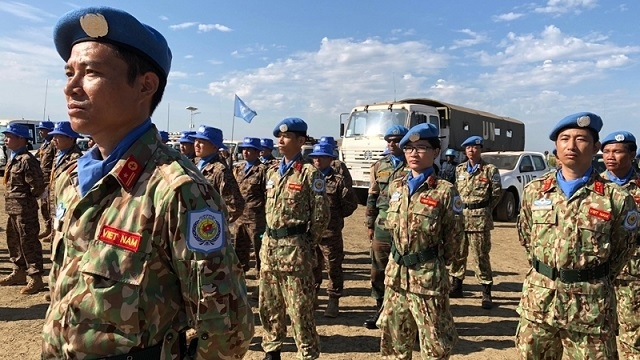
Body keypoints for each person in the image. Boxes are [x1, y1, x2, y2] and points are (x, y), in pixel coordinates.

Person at [43, 6, 253, 358]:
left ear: (145, 85)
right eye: (69, 72)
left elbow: (226, 330)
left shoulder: (178, 190)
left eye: (91, 72)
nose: (71, 87)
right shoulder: (69, 178)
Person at [515, 112, 637, 359]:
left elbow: (623, 249)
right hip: (539, 302)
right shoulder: (535, 191)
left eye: (581, 139)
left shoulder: (616, 198)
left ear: (595, 148)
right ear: (556, 148)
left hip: (589, 307)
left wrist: (588, 276)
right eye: (564, 139)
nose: (571, 146)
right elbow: (527, 237)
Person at [378, 123, 462, 359]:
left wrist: (435, 264)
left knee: (434, 343)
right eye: (409, 148)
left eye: (422, 147)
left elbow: (455, 239)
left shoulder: (445, 191)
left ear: (436, 152)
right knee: (395, 341)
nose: (414, 153)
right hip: (395, 277)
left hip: (427, 278)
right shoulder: (396, 186)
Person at [259, 117, 330, 360]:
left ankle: (307, 353)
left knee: (300, 309)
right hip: (269, 250)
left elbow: (321, 216)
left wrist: (306, 243)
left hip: (295, 252)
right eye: (279, 135)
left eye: (287, 136)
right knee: (269, 305)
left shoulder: (310, 174)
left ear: (301, 141)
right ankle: (272, 348)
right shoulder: (271, 171)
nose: (280, 140)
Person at [364, 125, 409, 329]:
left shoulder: (413, 165)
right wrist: (369, 223)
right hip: (382, 223)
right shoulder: (379, 166)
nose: (392, 144)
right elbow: (372, 195)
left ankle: (406, 314)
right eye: (389, 141)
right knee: (378, 269)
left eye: (396, 140)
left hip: (405, 225)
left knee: (404, 270)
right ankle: (380, 309)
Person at [600, 130, 640, 358]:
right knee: (600, 333)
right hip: (600, 273)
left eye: (617, 151)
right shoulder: (594, 186)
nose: (610, 156)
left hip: (633, 274)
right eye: (606, 151)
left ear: (632, 154)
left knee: (633, 333)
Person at [450, 135, 502, 309]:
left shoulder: (489, 170)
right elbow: (456, 193)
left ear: (480, 149)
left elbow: (496, 194)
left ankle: (486, 291)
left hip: (479, 219)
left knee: (480, 255)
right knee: (458, 253)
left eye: (475, 147)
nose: (471, 151)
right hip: (461, 218)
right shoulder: (459, 170)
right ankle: (456, 285)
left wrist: (484, 209)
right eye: (468, 148)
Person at [309, 142, 359, 318]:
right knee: (312, 266)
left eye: (321, 156)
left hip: (330, 232)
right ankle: (313, 296)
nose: (317, 160)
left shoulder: (338, 181)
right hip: (310, 232)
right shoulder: (308, 178)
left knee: (333, 267)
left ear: (330, 159)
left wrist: (334, 218)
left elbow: (350, 204)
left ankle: (333, 300)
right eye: (315, 157)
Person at [0, 124, 46, 294]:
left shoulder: (27, 160)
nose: (6, 139)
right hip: (13, 208)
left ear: (21, 139)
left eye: (10, 136)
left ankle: (35, 278)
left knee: (29, 242)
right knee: (14, 241)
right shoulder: (13, 158)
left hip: (25, 209)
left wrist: (27, 199)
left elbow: (38, 186)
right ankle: (18, 272)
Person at [191, 125, 245, 222]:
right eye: (196, 140)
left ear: (214, 146)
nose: (196, 145)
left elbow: (235, 206)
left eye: (201, 142)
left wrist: (215, 223)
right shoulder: (192, 164)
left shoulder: (220, 171)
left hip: (206, 228)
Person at [231, 137, 267, 277]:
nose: (245, 152)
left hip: (256, 218)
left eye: (249, 149)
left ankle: (261, 275)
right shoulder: (238, 168)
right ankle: (241, 275)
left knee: (259, 249)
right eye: (244, 149)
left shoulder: (262, 170)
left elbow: (266, 193)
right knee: (239, 248)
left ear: (258, 152)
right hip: (240, 217)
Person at [44, 122, 84, 244]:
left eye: (58, 136)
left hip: (65, 205)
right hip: (55, 203)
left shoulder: (75, 158)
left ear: (71, 138)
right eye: (53, 136)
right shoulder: (59, 154)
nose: (54, 140)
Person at [35, 120, 55, 240]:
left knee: (51, 206)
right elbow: (38, 156)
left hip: (50, 180)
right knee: (44, 206)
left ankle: (53, 231)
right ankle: (48, 228)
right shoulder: (45, 144)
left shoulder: (54, 144)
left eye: (43, 129)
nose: (40, 132)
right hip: (43, 180)